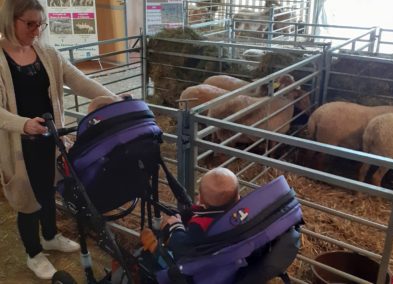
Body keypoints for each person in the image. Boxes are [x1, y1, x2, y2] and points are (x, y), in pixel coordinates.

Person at [0, 0, 117, 280]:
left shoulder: (47, 53)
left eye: (41, 24)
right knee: (27, 201)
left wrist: (112, 100)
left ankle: (50, 236)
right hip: (19, 143)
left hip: (50, 137)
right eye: (30, 24)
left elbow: (78, 81)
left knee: (50, 188)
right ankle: (33, 253)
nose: (37, 30)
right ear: (10, 21)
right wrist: (24, 124)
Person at [141, 167, 240, 260]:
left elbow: (183, 247)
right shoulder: (240, 212)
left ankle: (155, 250)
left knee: (158, 241)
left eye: (199, 193)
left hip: (193, 259)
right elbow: (196, 211)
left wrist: (176, 226)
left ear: (200, 199)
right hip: (222, 249)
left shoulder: (199, 226)